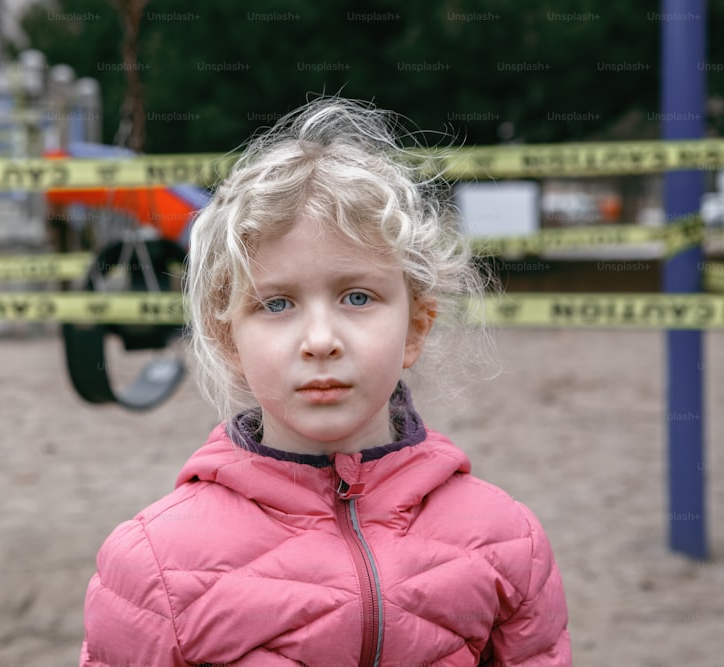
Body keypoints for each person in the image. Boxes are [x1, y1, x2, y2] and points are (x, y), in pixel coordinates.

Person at [80, 97, 571, 666]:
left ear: (415, 326)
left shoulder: (507, 542)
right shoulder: (154, 566)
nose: (320, 339)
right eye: (277, 303)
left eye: (356, 297)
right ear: (227, 339)